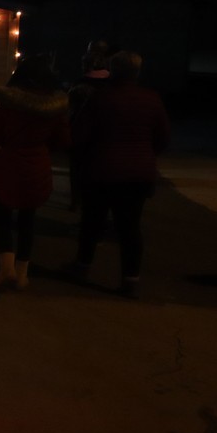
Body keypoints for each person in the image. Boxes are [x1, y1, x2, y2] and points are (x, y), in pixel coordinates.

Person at [69, 50, 170, 299]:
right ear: (137, 72)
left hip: (101, 171)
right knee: (130, 227)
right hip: (137, 174)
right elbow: (163, 138)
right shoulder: (151, 98)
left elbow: (80, 135)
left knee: (92, 222)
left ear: (112, 70)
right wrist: (145, 155)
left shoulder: (100, 98)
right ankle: (130, 278)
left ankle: (83, 267)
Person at [0, 54, 70, 292]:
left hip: (9, 163)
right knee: (28, 219)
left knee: (2, 216)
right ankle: (22, 274)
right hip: (37, 164)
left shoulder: (8, 102)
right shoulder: (56, 107)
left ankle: (6, 269)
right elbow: (63, 140)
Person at [66, 41, 111, 211]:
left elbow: (69, 109)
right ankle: (97, 202)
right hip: (104, 133)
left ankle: (76, 200)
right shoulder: (111, 85)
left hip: (79, 131)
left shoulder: (79, 85)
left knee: (77, 168)